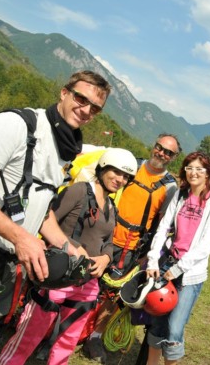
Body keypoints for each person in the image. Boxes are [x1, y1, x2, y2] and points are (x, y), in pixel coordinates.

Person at [0, 70, 110, 365]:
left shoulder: (66, 151)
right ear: (64, 92)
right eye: (80, 98)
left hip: (9, 262)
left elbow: (42, 208)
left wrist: (69, 246)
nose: (86, 110)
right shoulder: (17, 125)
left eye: (95, 108)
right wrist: (21, 237)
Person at [0, 148, 137, 365]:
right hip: (58, 276)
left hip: (88, 284)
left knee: (68, 341)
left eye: (126, 177)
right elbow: (46, 220)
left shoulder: (111, 207)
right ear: (102, 168)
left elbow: (109, 242)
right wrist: (70, 247)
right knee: (30, 334)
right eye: (116, 172)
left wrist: (106, 259)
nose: (120, 179)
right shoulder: (79, 191)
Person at [82, 134, 181, 363]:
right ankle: (64, 329)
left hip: (131, 248)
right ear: (153, 146)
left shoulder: (169, 188)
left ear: (173, 157)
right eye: (159, 148)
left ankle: (94, 337)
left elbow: (163, 225)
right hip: (103, 234)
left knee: (111, 294)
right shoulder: (130, 166)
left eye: (168, 152)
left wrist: (148, 255)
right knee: (82, 281)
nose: (161, 154)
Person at [145, 151, 210, 365]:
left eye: (200, 168)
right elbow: (163, 228)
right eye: (190, 168)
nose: (194, 173)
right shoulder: (180, 195)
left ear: (208, 173)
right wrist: (153, 260)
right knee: (158, 324)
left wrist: (180, 268)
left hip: (190, 274)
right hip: (168, 266)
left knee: (174, 330)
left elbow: (208, 243)